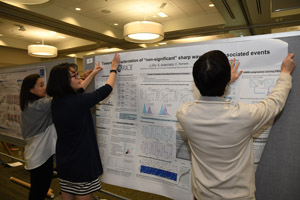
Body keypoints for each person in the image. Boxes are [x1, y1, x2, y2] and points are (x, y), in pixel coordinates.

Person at [176, 50, 296, 200]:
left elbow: (204, 104)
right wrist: (285, 73)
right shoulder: (243, 116)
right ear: (226, 80)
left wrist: (220, 81)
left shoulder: (184, 114)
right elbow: (274, 103)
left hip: (203, 196)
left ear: (195, 81)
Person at [46, 53, 120, 200]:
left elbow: (79, 90)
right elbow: (106, 89)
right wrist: (114, 68)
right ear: (64, 82)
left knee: (67, 194)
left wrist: (92, 74)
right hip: (82, 161)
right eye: (75, 76)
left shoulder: (57, 101)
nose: (79, 78)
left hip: (64, 159)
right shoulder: (78, 102)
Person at [20, 74, 57, 200]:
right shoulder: (39, 105)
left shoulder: (28, 105)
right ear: (31, 90)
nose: (44, 88)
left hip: (39, 155)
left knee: (38, 192)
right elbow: (62, 97)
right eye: (41, 85)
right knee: (38, 193)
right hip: (39, 157)